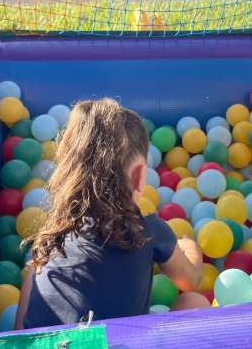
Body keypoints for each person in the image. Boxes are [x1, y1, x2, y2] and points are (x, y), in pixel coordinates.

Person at [15, 99, 203, 329]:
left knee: (35, 267)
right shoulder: (147, 230)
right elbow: (191, 280)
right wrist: (190, 249)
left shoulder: (51, 238)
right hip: (113, 343)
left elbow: (21, 331)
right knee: (193, 302)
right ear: (139, 175)